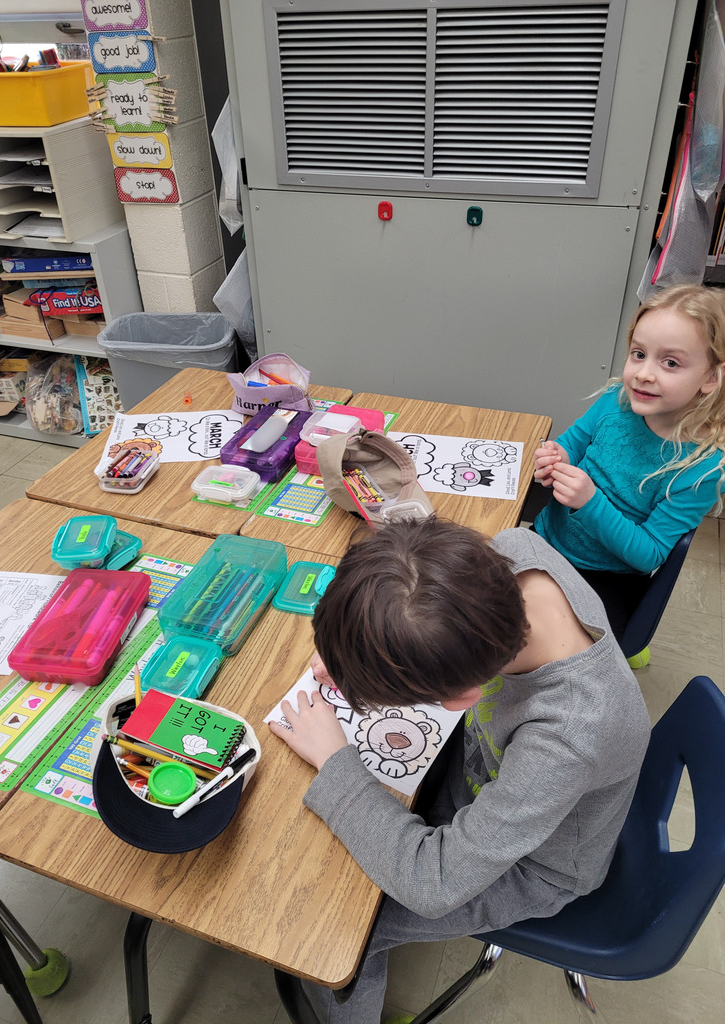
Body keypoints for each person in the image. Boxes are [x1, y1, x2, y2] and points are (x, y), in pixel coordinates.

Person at [269, 517, 650, 1024]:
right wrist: (357, 646)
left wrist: (336, 762)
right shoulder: (511, 554)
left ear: (461, 697)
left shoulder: (571, 732)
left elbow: (436, 882)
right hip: (477, 783)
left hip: (534, 869)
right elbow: (410, 588)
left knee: (335, 927)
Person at [533, 283, 725, 637]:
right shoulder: (614, 400)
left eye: (670, 362)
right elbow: (571, 443)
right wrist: (555, 456)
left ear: (710, 378)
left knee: (538, 637)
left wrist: (589, 502)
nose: (644, 373)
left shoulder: (703, 468)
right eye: (639, 354)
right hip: (546, 541)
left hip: (606, 579)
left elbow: (649, 553)